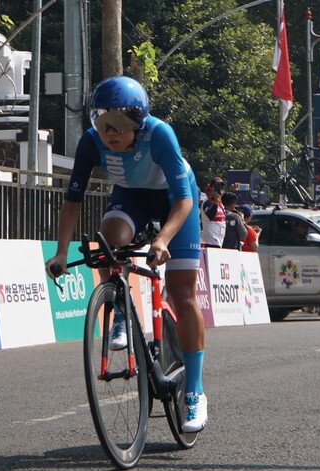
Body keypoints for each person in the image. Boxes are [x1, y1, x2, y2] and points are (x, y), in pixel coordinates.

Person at [44, 76, 208, 433]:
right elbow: (72, 201)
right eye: (103, 127)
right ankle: (119, 309)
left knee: (182, 292)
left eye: (119, 128)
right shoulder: (90, 143)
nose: (110, 135)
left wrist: (162, 240)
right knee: (109, 239)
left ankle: (194, 390)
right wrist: (59, 253)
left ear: (139, 122)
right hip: (132, 195)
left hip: (174, 202)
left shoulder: (160, 134)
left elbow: (183, 200)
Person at [200, 177, 226, 248]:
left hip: (219, 241)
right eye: (216, 187)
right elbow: (211, 216)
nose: (219, 190)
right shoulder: (207, 202)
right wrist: (216, 203)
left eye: (221, 187)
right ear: (211, 188)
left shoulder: (221, 204)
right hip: (209, 242)